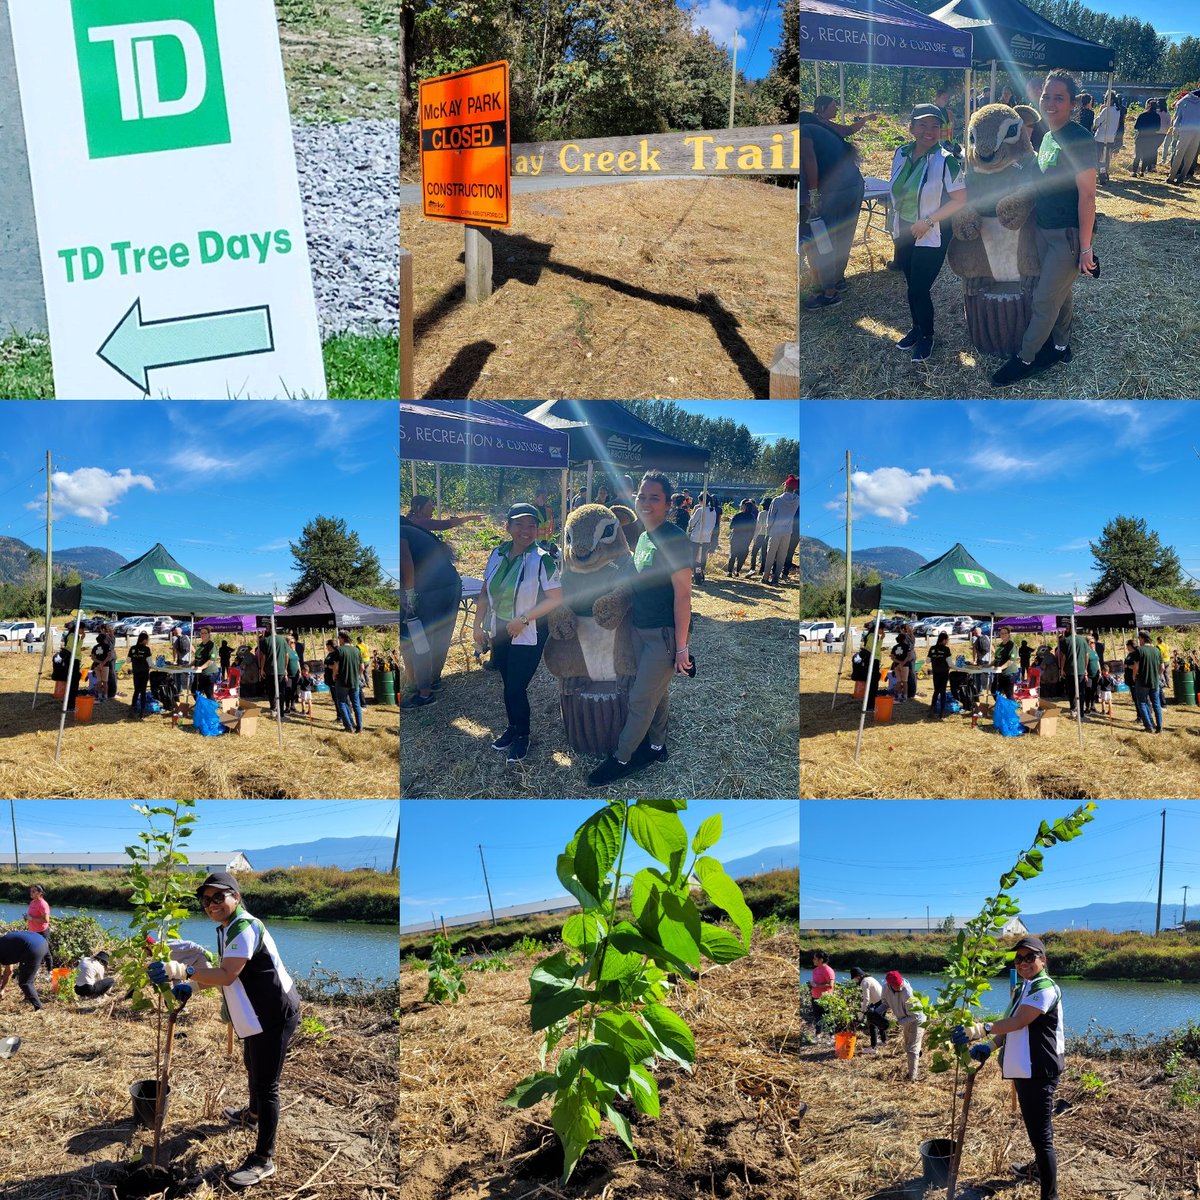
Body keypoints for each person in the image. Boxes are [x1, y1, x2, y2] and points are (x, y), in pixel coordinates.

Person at [150, 872, 300, 1190]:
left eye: (218, 897)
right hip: (253, 1016)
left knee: (267, 1084)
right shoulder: (226, 929)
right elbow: (224, 972)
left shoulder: (244, 927)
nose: (211, 904)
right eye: (206, 900)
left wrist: (183, 970)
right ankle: (254, 1114)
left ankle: (263, 1160)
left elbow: (228, 975)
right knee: (251, 1064)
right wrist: (191, 985)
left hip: (273, 1014)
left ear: (236, 896)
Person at [993, 70, 1098, 388]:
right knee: (1058, 294)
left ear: (1072, 103)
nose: (1050, 103)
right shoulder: (1049, 136)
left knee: (1043, 300)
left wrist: (1085, 247)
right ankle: (1061, 347)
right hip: (1043, 231)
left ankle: (1025, 359)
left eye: (1059, 97)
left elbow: (1088, 195)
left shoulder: (1079, 138)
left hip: (1065, 237)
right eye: (1046, 96)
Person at [588, 471, 693, 787]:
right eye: (642, 496)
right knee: (656, 694)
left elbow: (684, 595)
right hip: (639, 630)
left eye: (654, 498)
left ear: (667, 504)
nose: (646, 503)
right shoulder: (644, 536)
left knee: (639, 699)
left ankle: (622, 758)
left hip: (661, 635)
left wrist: (682, 646)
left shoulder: (674, 538)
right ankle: (656, 746)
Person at [952, 936, 1064, 1199]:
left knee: (1042, 1137)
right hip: (1026, 1071)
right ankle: (1038, 1169)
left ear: (1043, 960)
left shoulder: (1044, 988)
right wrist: (990, 1047)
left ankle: (1051, 1196)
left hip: (1039, 1072)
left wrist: (979, 1029)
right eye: (1019, 958)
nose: (1023, 962)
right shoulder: (1025, 987)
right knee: (1038, 1130)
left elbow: (1020, 1021)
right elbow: (1009, 1024)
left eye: (1029, 957)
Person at [472, 503, 563, 764]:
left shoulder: (542, 558)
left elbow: (556, 598)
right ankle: (512, 729)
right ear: (508, 527)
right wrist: (478, 626)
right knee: (507, 683)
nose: (526, 530)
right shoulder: (497, 554)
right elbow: (484, 593)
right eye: (520, 524)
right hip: (500, 628)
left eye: (532, 525)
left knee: (515, 687)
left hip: (530, 630)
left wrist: (523, 619)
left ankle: (523, 735)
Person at [886, 103, 967, 362]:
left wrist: (929, 220)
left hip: (932, 234)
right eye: (922, 124)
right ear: (911, 127)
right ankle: (917, 328)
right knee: (912, 286)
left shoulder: (947, 160)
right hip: (904, 230)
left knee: (919, 288)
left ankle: (927, 336)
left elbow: (960, 200)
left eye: (935, 125)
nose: (929, 131)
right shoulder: (900, 152)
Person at [800, 115, 866, 309]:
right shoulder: (825, 131)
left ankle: (829, 293)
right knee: (844, 234)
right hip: (854, 185)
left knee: (822, 238)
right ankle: (838, 280)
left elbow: (809, 159)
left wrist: (813, 194)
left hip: (833, 190)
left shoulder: (803, 130)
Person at [399, 513, 463, 710]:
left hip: (431, 591)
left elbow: (406, 563)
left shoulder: (398, 533)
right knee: (440, 635)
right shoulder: (416, 531)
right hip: (451, 585)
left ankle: (424, 693)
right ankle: (434, 680)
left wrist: (409, 596)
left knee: (420, 638)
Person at [882, 970, 926, 1081]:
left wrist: (897, 1023)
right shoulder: (885, 988)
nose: (899, 987)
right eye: (896, 986)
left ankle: (912, 1078)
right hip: (905, 1020)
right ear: (889, 985)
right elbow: (885, 1003)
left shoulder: (907, 992)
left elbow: (915, 1015)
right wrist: (875, 1012)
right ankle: (916, 1061)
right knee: (908, 1046)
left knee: (912, 1049)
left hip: (917, 1020)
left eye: (900, 984)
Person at [762, 475, 799, 586]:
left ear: (785, 486)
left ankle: (765, 577)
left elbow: (771, 517)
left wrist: (768, 530)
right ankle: (776, 579)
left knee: (771, 554)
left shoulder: (777, 500)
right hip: (788, 531)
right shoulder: (797, 500)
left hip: (775, 531)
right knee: (782, 556)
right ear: (795, 489)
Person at [0, 930, 49, 1011]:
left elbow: (8, 972)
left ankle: (39, 1008)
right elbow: (9, 971)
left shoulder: (3, 948)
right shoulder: (5, 944)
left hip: (33, 949)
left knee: (25, 982)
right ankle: (28, 997)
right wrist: (2, 989)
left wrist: (1, 989)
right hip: (43, 942)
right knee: (25, 975)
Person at [327, 632, 363, 734]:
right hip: (354, 681)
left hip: (342, 681)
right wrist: (358, 676)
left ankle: (348, 727)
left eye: (339, 638)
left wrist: (334, 676)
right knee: (356, 704)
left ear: (342, 638)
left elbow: (336, 666)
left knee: (341, 703)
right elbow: (362, 667)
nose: (338, 640)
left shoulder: (339, 650)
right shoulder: (356, 649)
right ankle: (359, 727)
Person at [1131, 631, 1164, 734]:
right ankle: (1159, 727)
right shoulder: (1156, 650)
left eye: (1139, 638)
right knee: (1156, 704)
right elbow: (1162, 667)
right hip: (1155, 682)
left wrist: (1133, 676)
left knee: (1142, 703)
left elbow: (1136, 666)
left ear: (1142, 638)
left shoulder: (1139, 650)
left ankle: (1148, 726)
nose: (1138, 641)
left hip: (1142, 681)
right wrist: (1157, 675)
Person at [848, 967, 888, 1052]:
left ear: (858, 977)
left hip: (879, 1003)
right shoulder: (870, 978)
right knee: (881, 1023)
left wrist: (862, 1012)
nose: (854, 981)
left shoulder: (864, 982)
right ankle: (884, 1041)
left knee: (872, 1024)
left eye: (854, 978)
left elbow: (866, 999)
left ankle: (873, 1048)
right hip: (884, 1001)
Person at [686, 493, 717, 582]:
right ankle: (700, 572)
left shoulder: (700, 510)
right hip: (706, 538)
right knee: (702, 557)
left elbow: (691, 523)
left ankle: (697, 575)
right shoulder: (713, 511)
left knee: (694, 558)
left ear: (701, 501)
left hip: (696, 537)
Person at [406, 495, 478, 532]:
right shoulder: (419, 522)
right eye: (429, 506)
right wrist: (469, 518)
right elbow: (444, 524)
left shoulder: (410, 518)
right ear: (419, 508)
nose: (433, 509)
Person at [1093, 91, 1121, 181]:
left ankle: (1100, 175)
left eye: (1105, 99)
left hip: (1101, 137)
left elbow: (1097, 122)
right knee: (1107, 157)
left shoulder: (1106, 110)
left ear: (1110, 100)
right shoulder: (1117, 110)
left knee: (1099, 157)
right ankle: (1105, 173)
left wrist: (1099, 112)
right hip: (1110, 137)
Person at [1132, 101, 1164, 176]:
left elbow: (1136, 127)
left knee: (1137, 155)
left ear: (1148, 106)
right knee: (1146, 156)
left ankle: (1134, 172)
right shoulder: (1157, 116)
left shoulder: (1142, 115)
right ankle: (1142, 171)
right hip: (1151, 138)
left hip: (1141, 137)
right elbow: (1158, 128)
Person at [808, 949, 836, 1035]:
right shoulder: (815, 970)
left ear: (821, 960)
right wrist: (811, 985)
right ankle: (818, 1035)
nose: (813, 960)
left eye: (815, 958)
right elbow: (815, 983)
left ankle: (832, 1036)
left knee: (828, 1017)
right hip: (815, 997)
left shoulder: (828, 970)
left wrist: (817, 986)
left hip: (825, 998)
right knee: (817, 1017)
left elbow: (831, 985)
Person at [726, 500, 757, 576]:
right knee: (742, 556)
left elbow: (731, 526)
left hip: (736, 537)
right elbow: (753, 530)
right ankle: (737, 571)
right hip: (746, 539)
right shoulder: (752, 518)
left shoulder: (738, 515)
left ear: (744, 507)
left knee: (733, 555)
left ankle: (730, 572)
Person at [928, 630, 953, 718]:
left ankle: (931, 710)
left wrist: (935, 658)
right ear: (943, 640)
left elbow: (927, 661)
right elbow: (950, 664)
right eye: (947, 640)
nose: (947, 642)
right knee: (942, 692)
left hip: (935, 672)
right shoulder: (946, 649)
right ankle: (942, 712)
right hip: (944, 673)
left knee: (936, 691)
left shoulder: (932, 648)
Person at [128, 630, 153, 717]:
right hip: (144, 673)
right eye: (147, 640)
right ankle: (142, 711)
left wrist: (135, 657)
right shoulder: (146, 649)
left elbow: (128, 661)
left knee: (136, 691)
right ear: (144, 640)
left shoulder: (132, 648)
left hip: (136, 672)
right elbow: (150, 663)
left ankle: (132, 709)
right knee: (143, 692)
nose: (147, 642)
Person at [993, 627, 1019, 699]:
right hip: (999, 672)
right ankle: (1002, 707)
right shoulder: (1000, 645)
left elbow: (1011, 660)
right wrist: (988, 665)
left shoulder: (1011, 645)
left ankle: (1011, 709)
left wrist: (1001, 667)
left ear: (1008, 634)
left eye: (1005, 633)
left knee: (1009, 694)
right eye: (1001, 633)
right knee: (994, 691)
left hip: (1009, 673)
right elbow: (997, 658)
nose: (1003, 635)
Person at [193, 628, 218, 700]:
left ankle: (211, 709)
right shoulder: (201, 644)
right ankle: (202, 706)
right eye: (201, 633)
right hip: (199, 673)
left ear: (209, 634)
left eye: (205, 633)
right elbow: (197, 658)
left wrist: (201, 667)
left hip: (209, 673)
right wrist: (190, 664)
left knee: (209, 693)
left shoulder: (211, 645)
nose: (203, 634)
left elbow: (211, 660)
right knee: (194, 690)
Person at [1024, 79, 1050, 149]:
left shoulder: (1033, 109)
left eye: (1029, 90)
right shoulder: (1051, 107)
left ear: (1038, 90)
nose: (1027, 94)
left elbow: (1027, 136)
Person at [750, 496, 770, 575]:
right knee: (764, 554)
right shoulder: (772, 514)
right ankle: (762, 570)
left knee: (754, 552)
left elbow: (758, 526)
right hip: (768, 535)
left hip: (760, 535)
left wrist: (754, 537)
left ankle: (752, 568)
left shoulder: (761, 513)